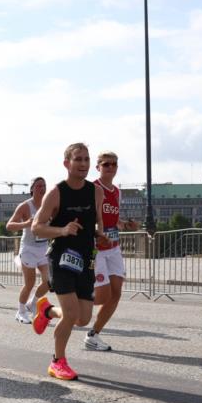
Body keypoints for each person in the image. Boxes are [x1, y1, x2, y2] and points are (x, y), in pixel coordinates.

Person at [30, 142, 106, 380]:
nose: (83, 164)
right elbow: (37, 228)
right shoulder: (56, 192)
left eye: (86, 159)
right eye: (78, 159)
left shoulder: (96, 191)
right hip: (61, 258)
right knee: (72, 313)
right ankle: (57, 361)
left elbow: (98, 220)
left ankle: (48, 310)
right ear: (67, 164)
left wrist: (100, 234)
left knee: (83, 318)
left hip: (86, 259)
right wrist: (62, 230)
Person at [86, 151, 140, 351]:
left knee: (116, 294)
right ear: (98, 167)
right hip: (96, 249)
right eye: (106, 164)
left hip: (114, 247)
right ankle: (74, 303)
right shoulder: (92, 188)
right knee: (101, 296)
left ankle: (93, 335)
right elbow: (86, 218)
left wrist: (126, 224)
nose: (110, 167)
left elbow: (113, 219)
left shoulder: (117, 191)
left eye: (114, 164)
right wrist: (96, 234)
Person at [6, 177, 50, 324]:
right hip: (29, 249)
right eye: (38, 186)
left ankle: (32, 304)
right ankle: (21, 311)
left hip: (44, 248)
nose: (42, 188)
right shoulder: (25, 206)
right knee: (29, 283)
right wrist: (25, 223)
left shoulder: (49, 205)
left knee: (49, 281)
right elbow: (9, 225)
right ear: (32, 189)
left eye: (44, 185)